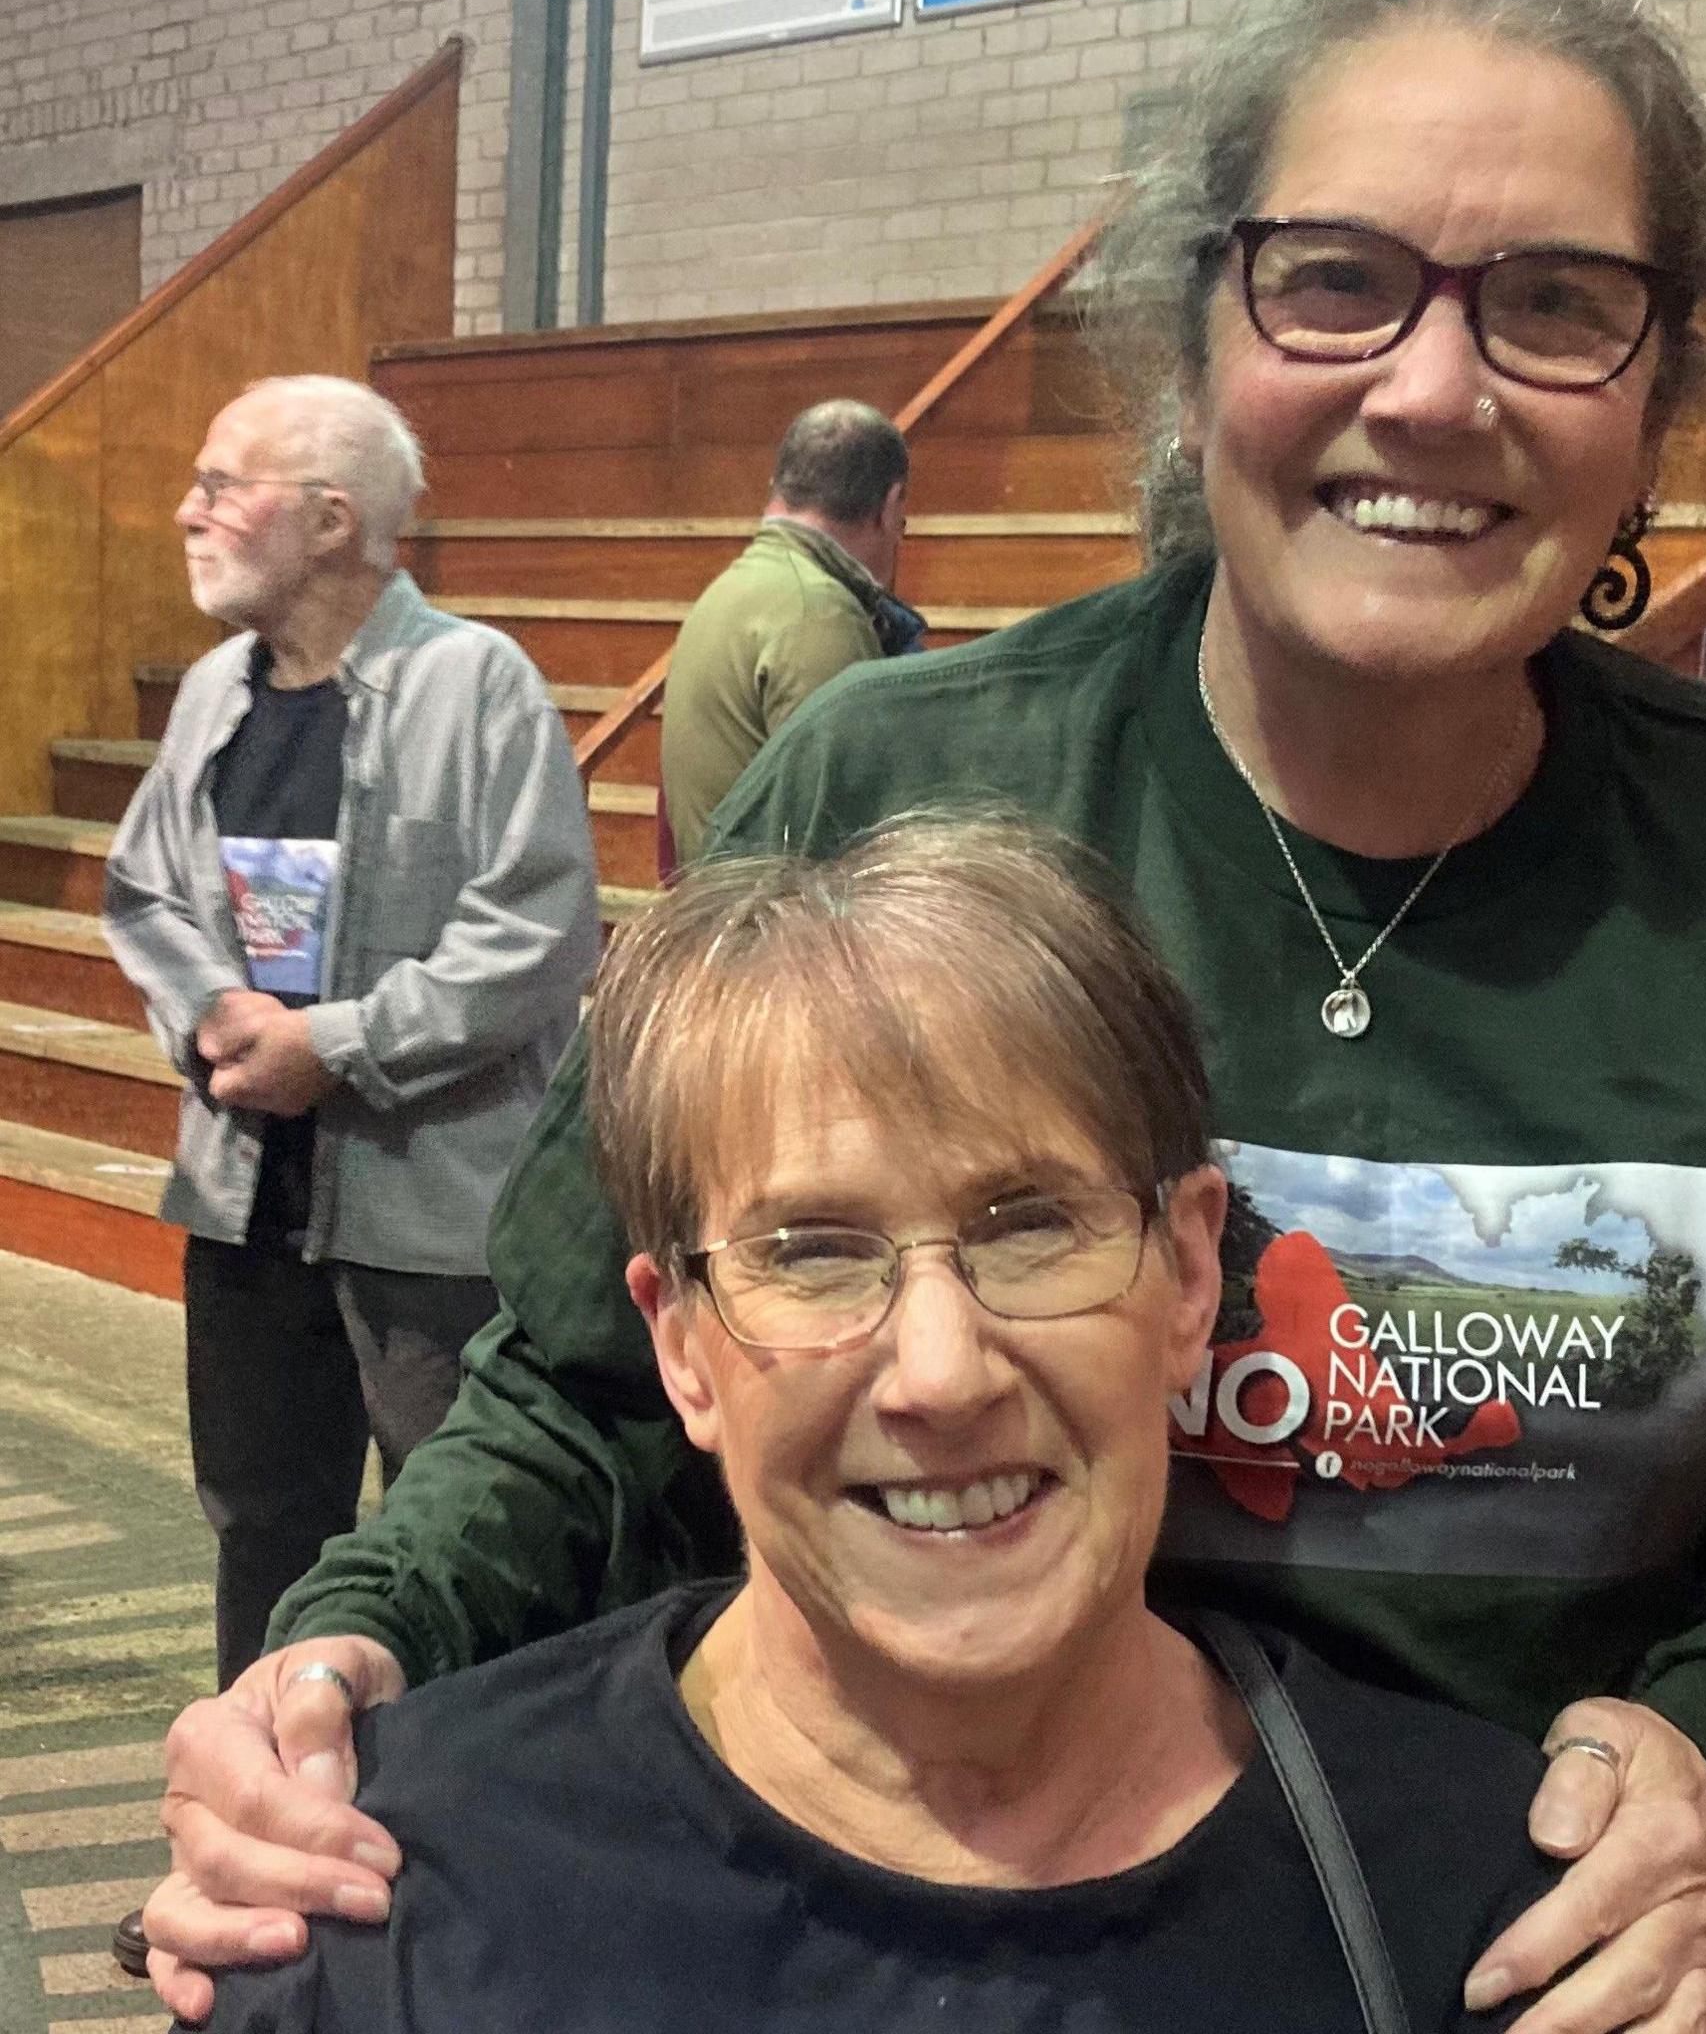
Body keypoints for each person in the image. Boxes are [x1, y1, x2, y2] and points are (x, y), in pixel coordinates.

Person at [139, 0, 1706, 2031]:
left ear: (1659, 387)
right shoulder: (898, 788)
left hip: (1462, 1960)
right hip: (877, 1936)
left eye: (1556, 304)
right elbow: (595, 1381)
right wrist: (349, 1655)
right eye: (1334, 283)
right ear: (1195, 328)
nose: (1432, 385)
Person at [201, 814, 1564, 2033]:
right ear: (679, 1340)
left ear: (1192, 1274)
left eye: (1031, 1225)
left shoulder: (1474, 1914)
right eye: (812, 1250)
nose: (939, 1372)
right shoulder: (387, 1905)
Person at [102, 377, 600, 1687]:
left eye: (222, 485)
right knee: (262, 1534)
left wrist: (335, 1041)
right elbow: (145, 888)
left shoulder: (474, 683)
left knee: (459, 1546)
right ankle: (260, 1822)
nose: (189, 511)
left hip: (426, 1227)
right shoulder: (213, 691)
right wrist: (216, 1018)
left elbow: (536, 932)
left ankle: (462, 1840)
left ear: (330, 521)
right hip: (245, 1212)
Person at [658, 397, 922, 864]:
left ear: (777, 489)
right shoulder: (820, 615)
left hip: (722, 911)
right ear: (890, 505)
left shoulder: (733, 586)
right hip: (768, 924)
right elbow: (843, 845)